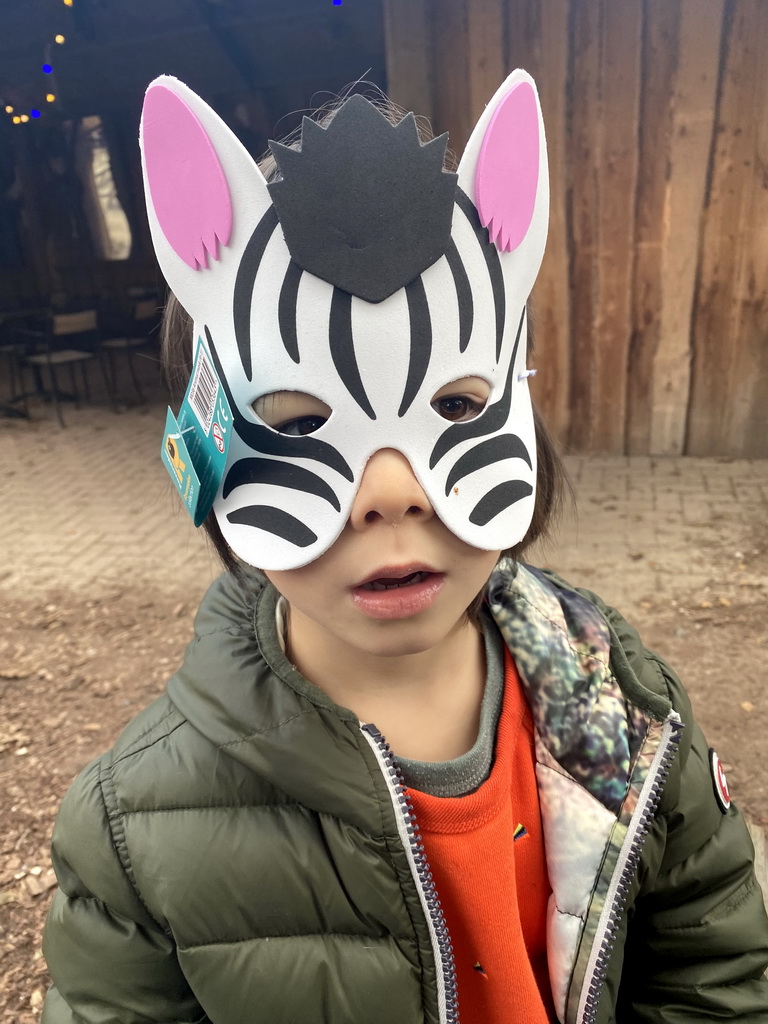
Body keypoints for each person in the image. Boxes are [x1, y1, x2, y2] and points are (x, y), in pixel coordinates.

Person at [41, 71, 768, 1024]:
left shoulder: (630, 717)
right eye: (299, 422)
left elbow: (713, 973)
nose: (390, 492)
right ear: (208, 452)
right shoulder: (135, 831)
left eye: (458, 408)